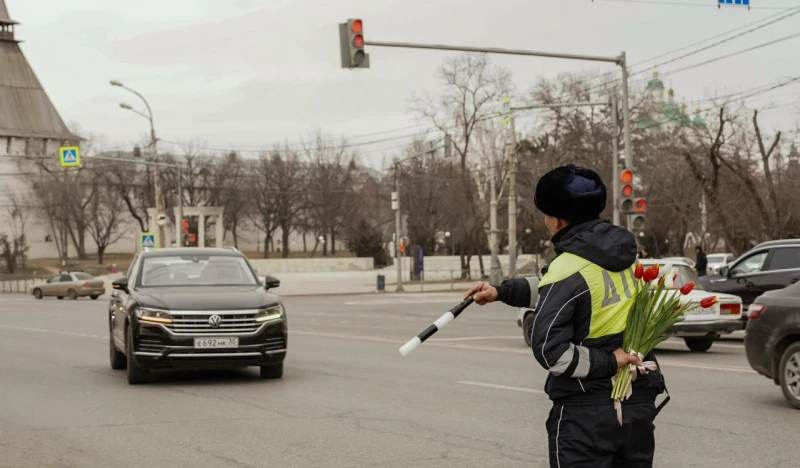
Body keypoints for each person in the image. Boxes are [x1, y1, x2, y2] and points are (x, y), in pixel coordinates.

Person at [465, 164, 664, 468]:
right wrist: (501, 291)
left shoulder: (568, 267)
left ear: (557, 220)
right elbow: (574, 294)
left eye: (545, 215)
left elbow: (551, 351)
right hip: (637, 408)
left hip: (589, 417)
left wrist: (610, 361)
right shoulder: (624, 255)